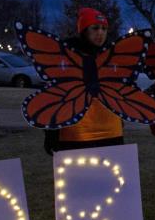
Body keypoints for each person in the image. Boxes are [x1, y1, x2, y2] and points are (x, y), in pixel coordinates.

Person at [43, 8, 125, 153]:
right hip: (76, 135)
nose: (100, 33)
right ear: (84, 30)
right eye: (95, 28)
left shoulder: (112, 56)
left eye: (104, 29)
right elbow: (54, 97)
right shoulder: (66, 56)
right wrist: (51, 134)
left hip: (111, 132)